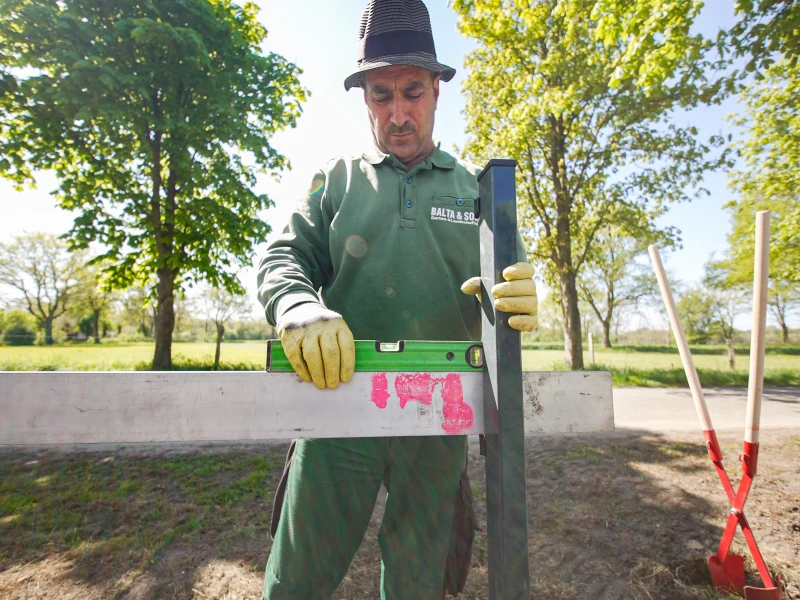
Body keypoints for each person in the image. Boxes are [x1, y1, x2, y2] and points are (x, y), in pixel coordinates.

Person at [256, 1, 538, 598]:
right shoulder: (337, 181)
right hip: (335, 410)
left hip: (438, 418)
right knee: (295, 580)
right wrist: (298, 306)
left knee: (418, 584)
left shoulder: (477, 192)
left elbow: (507, 285)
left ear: (437, 88)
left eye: (412, 92)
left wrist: (517, 296)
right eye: (382, 95)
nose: (399, 113)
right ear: (364, 98)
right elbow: (283, 257)